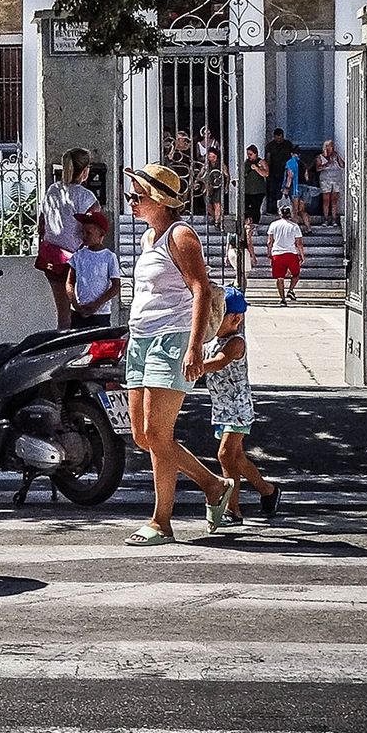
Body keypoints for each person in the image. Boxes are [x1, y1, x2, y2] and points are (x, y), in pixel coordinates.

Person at [121, 163, 234, 547]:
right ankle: (213, 485)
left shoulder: (180, 236)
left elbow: (200, 289)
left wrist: (194, 347)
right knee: (142, 435)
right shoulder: (148, 239)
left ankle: (161, 521)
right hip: (141, 340)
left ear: (159, 200)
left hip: (171, 341)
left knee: (157, 434)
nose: (131, 202)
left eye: (136, 195)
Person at [202, 287, 282, 529]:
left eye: (218, 314)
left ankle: (232, 509)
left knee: (225, 455)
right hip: (221, 407)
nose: (211, 319)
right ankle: (268, 490)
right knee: (237, 459)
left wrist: (195, 367)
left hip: (237, 409)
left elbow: (218, 363)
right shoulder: (211, 340)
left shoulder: (236, 342)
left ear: (235, 318)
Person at [36, 148, 101, 329]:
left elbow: (42, 223)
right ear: (86, 170)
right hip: (76, 260)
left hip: (52, 258)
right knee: (85, 312)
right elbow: (96, 230)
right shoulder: (86, 197)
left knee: (63, 316)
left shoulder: (52, 190)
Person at [65, 210, 121, 330]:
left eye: (88, 233)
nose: (84, 236)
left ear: (101, 234)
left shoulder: (109, 257)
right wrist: (75, 304)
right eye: (82, 232)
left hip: (100, 314)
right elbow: (70, 282)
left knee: (99, 345)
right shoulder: (78, 256)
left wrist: (97, 304)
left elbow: (116, 286)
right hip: (78, 313)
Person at [266, 202, 305, 306]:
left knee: (280, 278)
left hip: (277, 253)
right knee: (296, 274)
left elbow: (269, 241)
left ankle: (282, 299)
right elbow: (299, 243)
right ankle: (291, 290)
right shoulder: (294, 226)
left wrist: (269, 252)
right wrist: (302, 254)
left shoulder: (273, 225)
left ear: (280, 214)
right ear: (290, 214)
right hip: (291, 253)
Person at [241, 146, 269, 267]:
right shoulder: (246, 163)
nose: (249, 156)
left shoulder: (261, 162)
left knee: (256, 208)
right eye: (248, 154)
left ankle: (255, 226)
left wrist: (257, 168)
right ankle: (247, 224)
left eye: (251, 154)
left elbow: (266, 173)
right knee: (247, 209)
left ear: (256, 154)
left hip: (258, 190)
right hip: (247, 190)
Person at [314, 139, 346, 227]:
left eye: (332, 146)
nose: (331, 148)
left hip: (336, 179)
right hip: (325, 180)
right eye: (329, 146)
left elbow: (343, 165)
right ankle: (326, 219)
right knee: (326, 200)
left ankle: (334, 219)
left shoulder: (336, 156)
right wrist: (327, 163)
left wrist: (337, 158)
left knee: (334, 200)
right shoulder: (320, 157)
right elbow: (318, 168)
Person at [283, 147, 312, 233]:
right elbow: (307, 177)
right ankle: (309, 228)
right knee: (302, 210)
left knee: (294, 210)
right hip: (305, 188)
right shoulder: (303, 163)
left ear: (291, 153)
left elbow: (290, 176)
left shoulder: (290, 163)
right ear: (299, 154)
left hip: (296, 188)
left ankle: (296, 231)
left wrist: (287, 188)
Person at [198, 147, 227, 229]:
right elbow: (200, 174)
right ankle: (216, 218)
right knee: (208, 205)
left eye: (213, 157)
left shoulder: (221, 165)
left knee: (217, 204)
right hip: (208, 186)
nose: (211, 159)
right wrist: (199, 181)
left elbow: (227, 175)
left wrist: (226, 186)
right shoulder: (206, 165)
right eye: (210, 157)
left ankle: (217, 222)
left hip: (218, 186)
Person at [264, 127, 293, 207]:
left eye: (280, 138)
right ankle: (273, 207)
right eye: (277, 138)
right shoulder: (270, 146)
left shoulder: (288, 145)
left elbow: (292, 156)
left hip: (285, 171)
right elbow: (268, 158)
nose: (278, 140)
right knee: (272, 190)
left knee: (285, 189)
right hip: (273, 171)